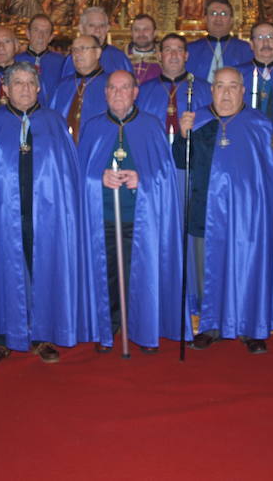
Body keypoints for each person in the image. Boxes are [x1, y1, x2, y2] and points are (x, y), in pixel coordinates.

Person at [0, 63, 90, 366]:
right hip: (1, 213)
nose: (25, 89)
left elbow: (68, 176)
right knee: (2, 269)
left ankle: (43, 335)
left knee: (44, 268)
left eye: (30, 83)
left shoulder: (54, 123)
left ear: (38, 88)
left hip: (48, 215)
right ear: (6, 88)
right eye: (18, 83)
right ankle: (2, 338)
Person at [77, 70, 189, 352]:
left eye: (124, 88)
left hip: (140, 219)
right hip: (102, 217)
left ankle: (143, 329)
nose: (118, 93)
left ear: (135, 93)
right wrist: (98, 177)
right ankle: (108, 327)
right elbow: (77, 173)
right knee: (107, 276)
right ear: (105, 93)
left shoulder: (151, 126)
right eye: (112, 88)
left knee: (139, 275)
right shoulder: (93, 127)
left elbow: (164, 175)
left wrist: (143, 179)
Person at [173, 67, 273, 354]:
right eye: (220, 86)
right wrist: (183, 135)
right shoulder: (197, 121)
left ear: (243, 90)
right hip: (204, 211)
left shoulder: (259, 124)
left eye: (233, 86)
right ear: (212, 90)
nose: (227, 93)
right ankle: (210, 326)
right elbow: (180, 163)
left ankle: (250, 327)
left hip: (248, 217)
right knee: (206, 270)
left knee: (248, 268)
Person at [137, 32, 211, 140]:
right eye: (168, 50)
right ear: (159, 56)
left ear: (186, 56)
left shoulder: (205, 89)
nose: (174, 55)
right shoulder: (143, 91)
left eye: (179, 50)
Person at [49, 35, 109, 143]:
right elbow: (51, 121)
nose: (77, 54)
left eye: (83, 48)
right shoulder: (62, 86)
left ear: (98, 53)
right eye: (74, 50)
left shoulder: (111, 85)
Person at [185, 0, 253, 82]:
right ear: (205, 19)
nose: (218, 18)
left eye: (224, 14)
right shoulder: (190, 49)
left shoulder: (246, 49)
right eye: (213, 13)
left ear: (231, 20)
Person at [59, 7, 131, 78]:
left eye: (102, 26)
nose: (97, 30)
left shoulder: (119, 58)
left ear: (107, 29)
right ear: (81, 29)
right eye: (91, 25)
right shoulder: (74, 58)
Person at [15, 13, 65, 105]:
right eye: (36, 30)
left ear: (51, 37)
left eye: (46, 32)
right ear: (28, 34)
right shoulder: (15, 61)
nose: (40, 36)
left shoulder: (62, 63)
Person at [126, 14, 162, 85]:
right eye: (136, 30)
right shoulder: (120, 58)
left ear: (155, 33)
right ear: (131, 33)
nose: (141, 34)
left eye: (146, 29)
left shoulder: (164, 58)